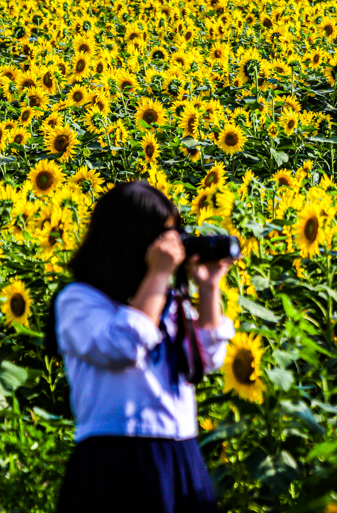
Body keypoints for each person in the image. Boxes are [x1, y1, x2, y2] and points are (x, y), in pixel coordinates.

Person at [48, 181, 237, 513]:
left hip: (180, 453)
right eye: (164, 236)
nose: (174, 247)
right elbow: (123, 346)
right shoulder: (79, 301)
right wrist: (159, 276)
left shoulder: (165, 300)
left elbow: (206, 359)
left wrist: (208, 289)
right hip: (114, 459)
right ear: (132, 239)